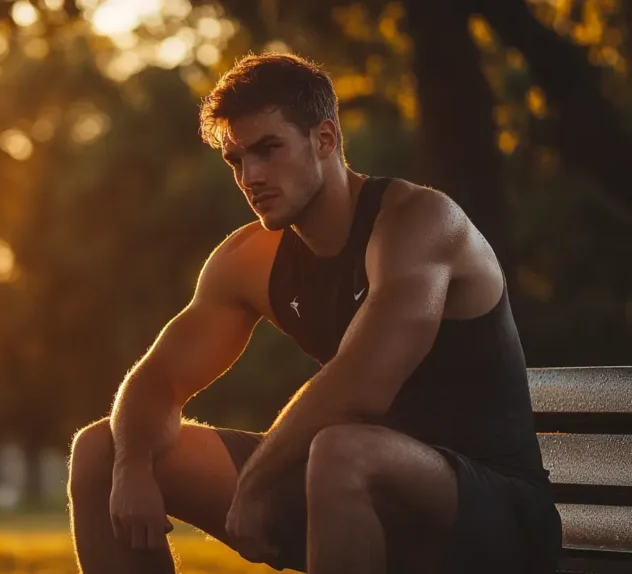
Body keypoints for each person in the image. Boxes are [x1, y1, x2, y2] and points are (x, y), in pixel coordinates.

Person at [66, 52, 562, 574]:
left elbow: (362, 385)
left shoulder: (419, 223)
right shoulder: (249, 260)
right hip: (346, 489)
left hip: (490, 510)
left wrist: (259, 481)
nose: (251, 176)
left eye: (268, 149)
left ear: (324, 139)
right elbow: (159, 380)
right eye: (236, 160)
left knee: (339, 453)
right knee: (102, 449)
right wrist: (131, 466)